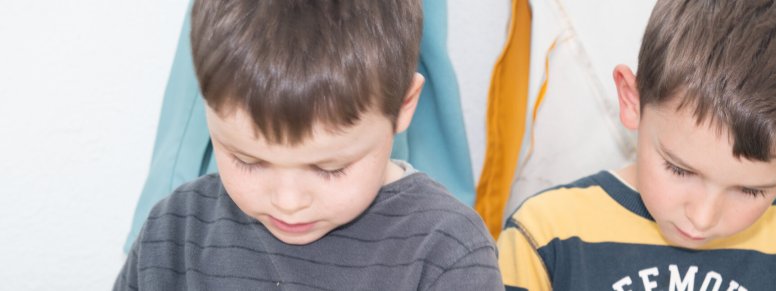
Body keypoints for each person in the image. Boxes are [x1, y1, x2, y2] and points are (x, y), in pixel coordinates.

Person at [114, 1, 501, 289]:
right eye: (247, 159)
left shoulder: (446, 249)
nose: (288, 201)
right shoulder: (175, 232)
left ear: (403, 105)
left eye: (329, 168)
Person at [497, 0, 776, 290]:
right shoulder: (545, 236)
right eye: (679, 169)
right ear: (632, 101)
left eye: (750, 191)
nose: (702, 217)